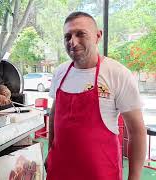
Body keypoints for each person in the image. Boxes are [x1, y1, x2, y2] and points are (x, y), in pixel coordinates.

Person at [46, 12, 146, 180]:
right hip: (60, 170)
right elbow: (54, 116)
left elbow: (137, 132)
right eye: (67, 36)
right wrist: (50, 152)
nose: (73, 41)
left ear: (98, 36)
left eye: (80, 34)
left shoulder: (118, 74)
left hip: (100, 172)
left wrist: (134, 177)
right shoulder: (60, 72)